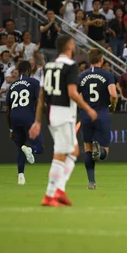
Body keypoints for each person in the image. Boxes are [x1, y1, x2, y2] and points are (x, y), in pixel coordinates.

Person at [29, 34, 98, 207]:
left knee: (73, 151)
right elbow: (72, 93)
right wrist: (88, 108)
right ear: (69, 46)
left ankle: (58, 191)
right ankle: (51, 193)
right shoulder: (70, 66)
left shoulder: (49, 66)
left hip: (52, 113)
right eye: (73, 44)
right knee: (61, 154)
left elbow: (41, 95)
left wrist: (38, 121)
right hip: (65, 114)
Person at [77, 49, 118, 190]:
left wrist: (83, 107)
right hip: (102, 113)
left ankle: (91, 182)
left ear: (89, 60)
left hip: (87, 115)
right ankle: (99, 151)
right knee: (104, 151)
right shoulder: (107, 75)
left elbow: (76, 96)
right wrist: (112, 107)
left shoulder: (81, 76)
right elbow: (113, 95)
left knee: (87, 148)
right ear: (101, 60)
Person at [5, 61, 44, 185]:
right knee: (40, 147)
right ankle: (31, 150)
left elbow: (7, 109)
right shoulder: (34, 83)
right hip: (28, 117)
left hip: (15, 118)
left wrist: (10, 128)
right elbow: (40, 101)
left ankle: (21, 176)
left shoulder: (12, 85)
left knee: (19, 147)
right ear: (29, 71)